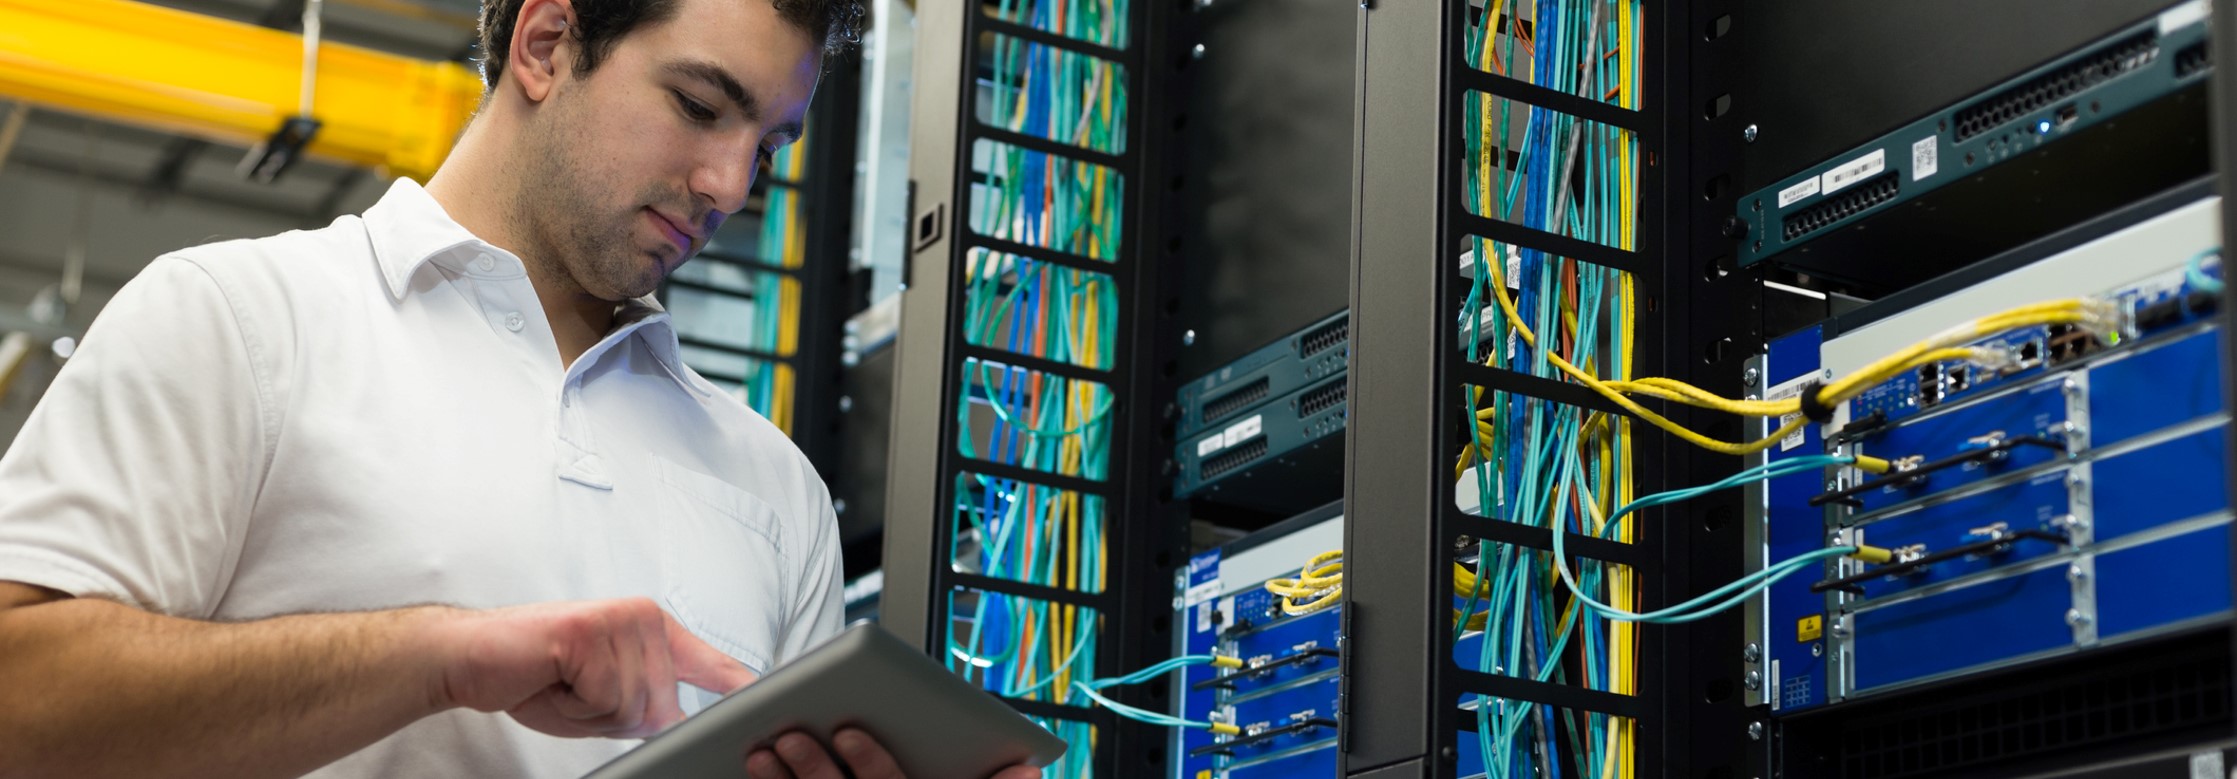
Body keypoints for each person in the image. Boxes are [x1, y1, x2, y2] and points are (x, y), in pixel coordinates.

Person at [0, 1, 1042, 777]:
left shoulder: (775, 490)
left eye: (767, 145)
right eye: (698, 105)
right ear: (546, 43)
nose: (731, 183)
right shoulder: (243, 317)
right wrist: (437, 654)